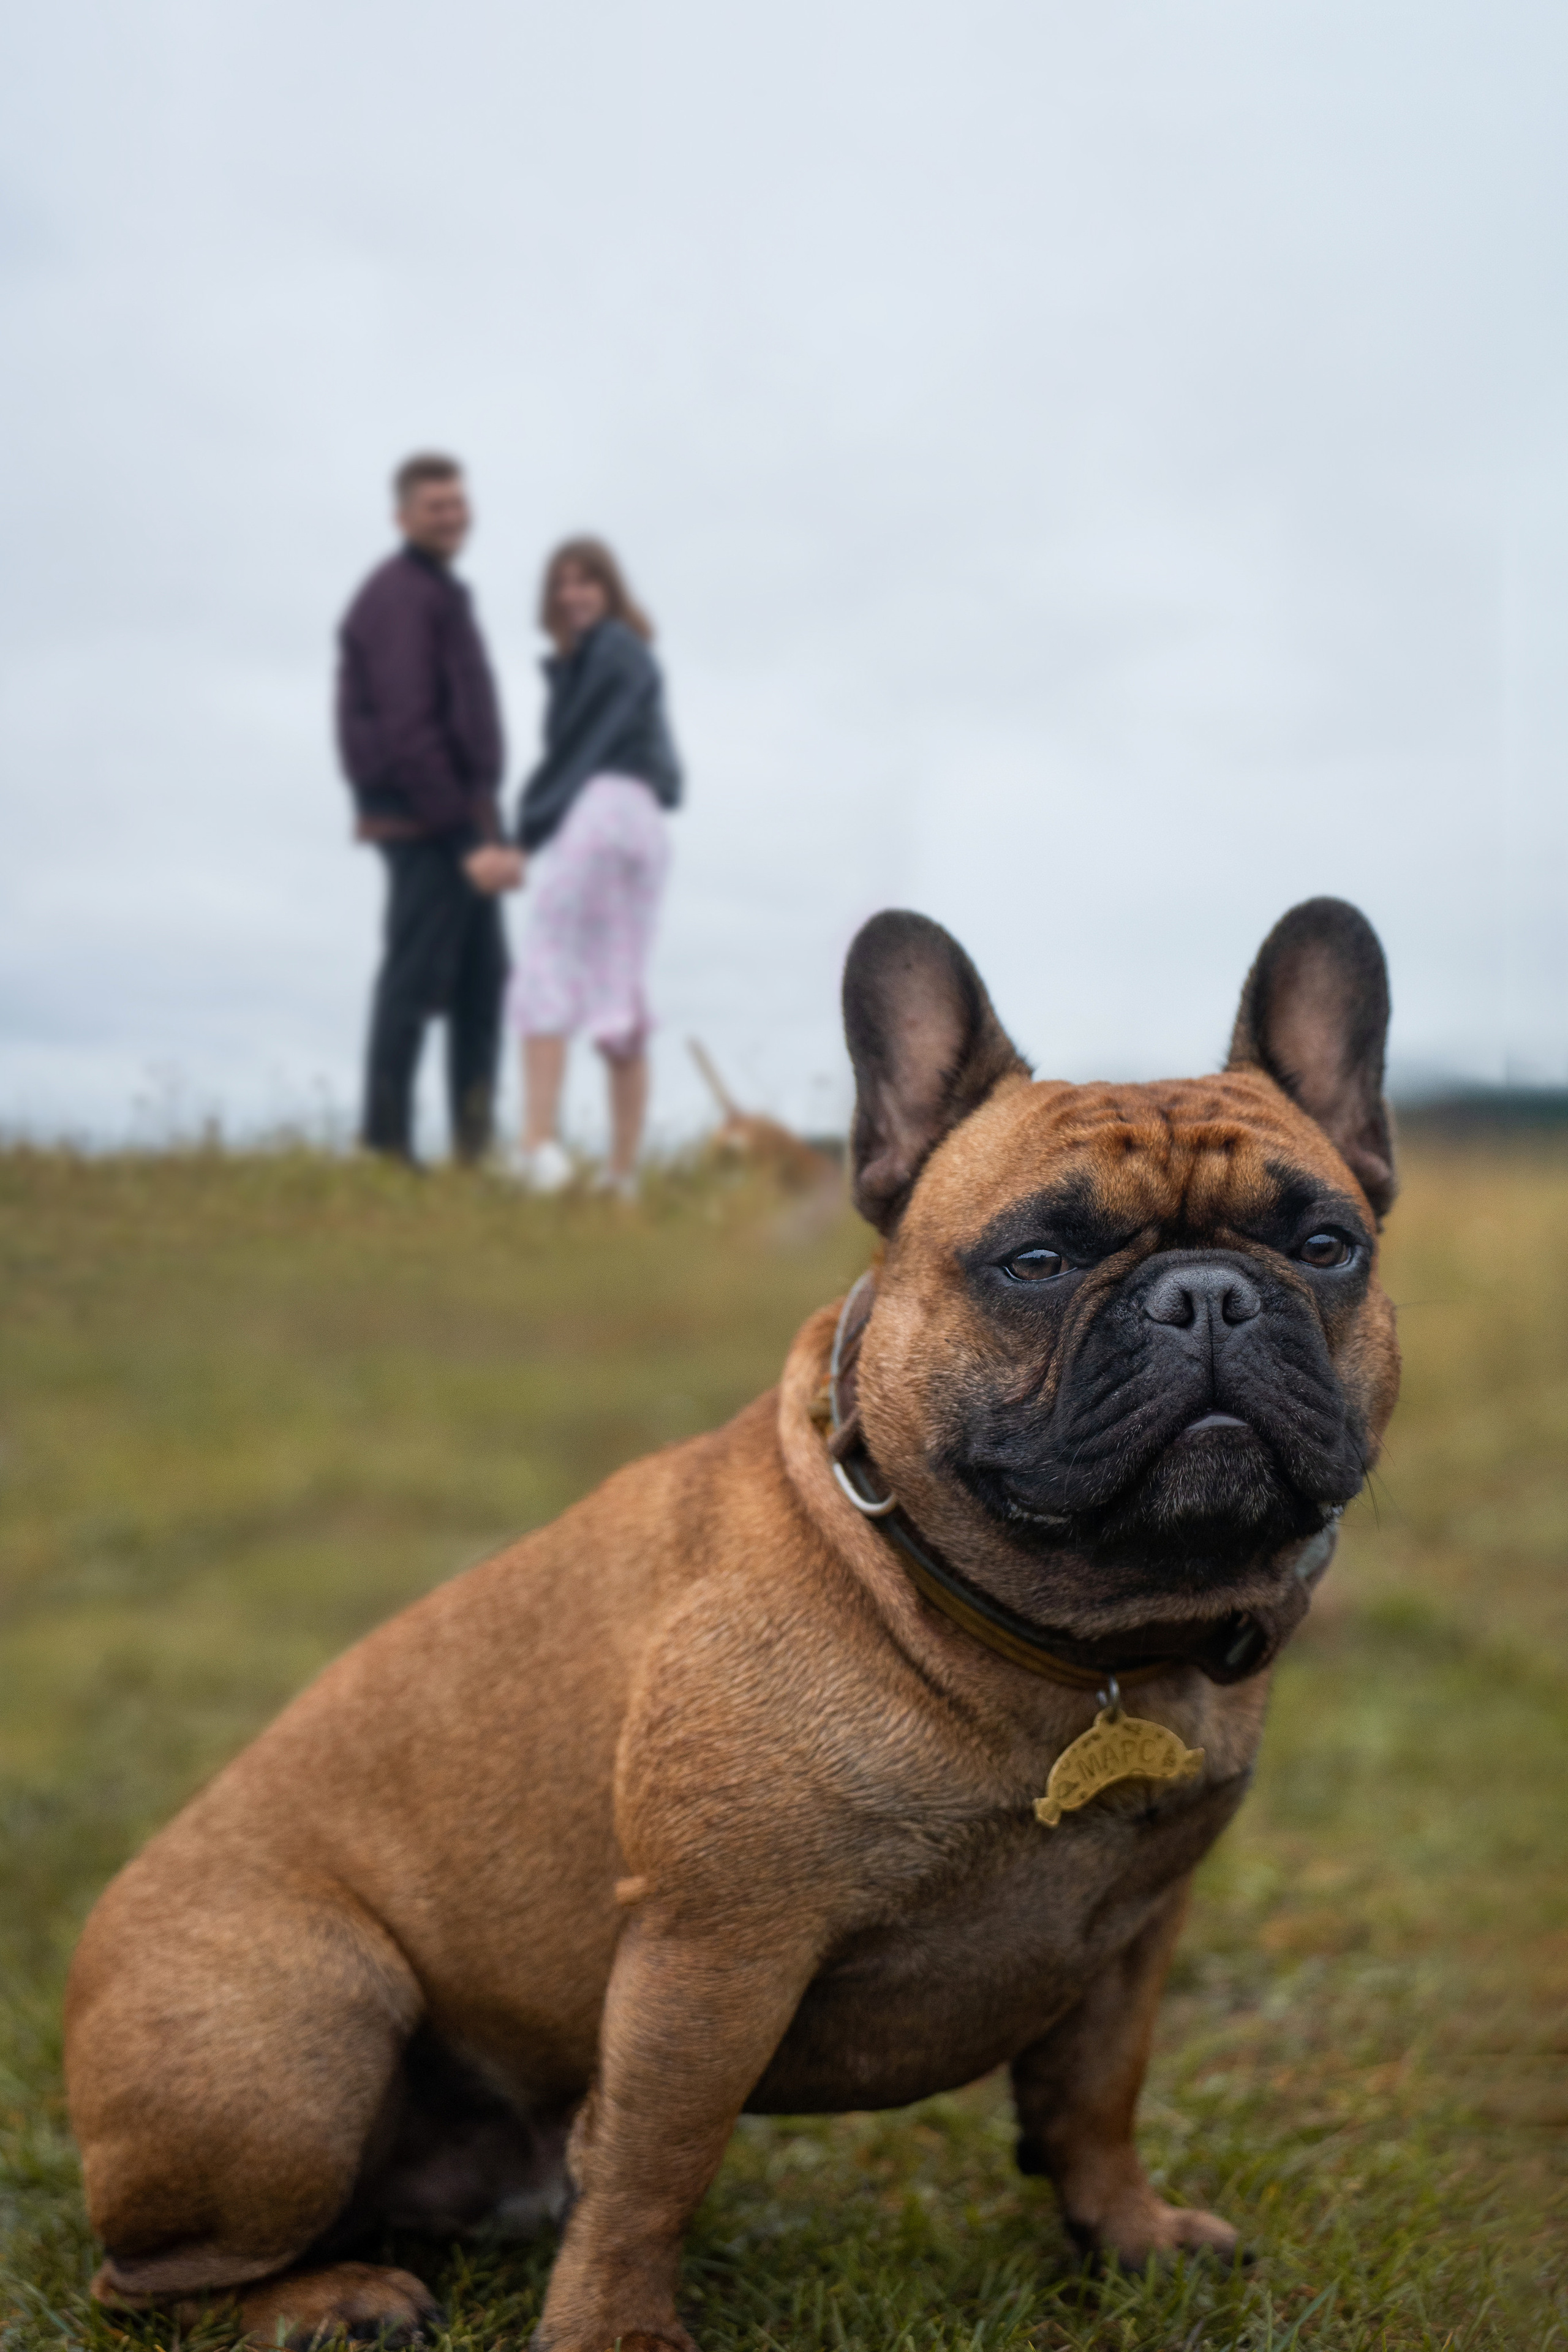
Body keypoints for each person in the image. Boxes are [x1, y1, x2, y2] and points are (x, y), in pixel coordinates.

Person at [336, 453, 522, 1165]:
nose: (452, 515)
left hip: (460, 817)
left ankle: (472, 1157)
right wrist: (463, 839)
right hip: (424, 820)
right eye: (435, 505)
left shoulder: (438, 591)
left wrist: (481, 830)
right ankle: (384, 1150)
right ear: (404, 516)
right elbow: (409, 727)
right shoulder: (400, 597)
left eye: (457, 502)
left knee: (479, 988)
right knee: (413, 983)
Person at [508, 538, 682, 1196]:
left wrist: (521, 838)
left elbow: (581, 748)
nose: (572, 594)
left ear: (608, 590)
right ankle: (622, 1176)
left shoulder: (607, 652)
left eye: (586, 582)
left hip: (599, 809)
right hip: (642, 823)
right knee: (621, 992)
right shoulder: (626, 657)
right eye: (562, 584)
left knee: (547, 965)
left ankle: (536, 1149)